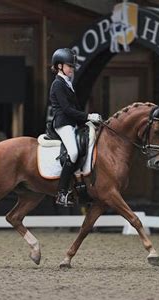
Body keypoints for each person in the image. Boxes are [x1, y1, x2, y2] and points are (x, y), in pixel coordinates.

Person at [49, 48, 102, 207]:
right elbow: (66, 109)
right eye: (69, 66)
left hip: (72, 123)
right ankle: (61, 193)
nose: (72, 69)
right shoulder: (57, 84)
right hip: (63, 123)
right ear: (59, 66)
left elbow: (76, 107)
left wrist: (87, 121)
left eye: (72, 67)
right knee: (73, 152)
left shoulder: (67, 83)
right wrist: (87, 116)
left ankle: (80, 183)